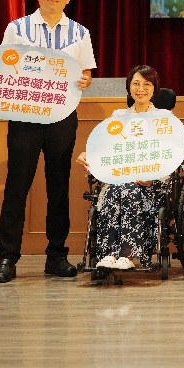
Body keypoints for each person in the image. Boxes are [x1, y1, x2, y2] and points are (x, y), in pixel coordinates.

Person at [0, 0, 95, 284]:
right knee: (17, 184)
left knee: (59, 186)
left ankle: (57, 255)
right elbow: (2, 67)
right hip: (25, 115)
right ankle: (7, 257)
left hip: (62, 116)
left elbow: (86, 74)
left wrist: (85, 81)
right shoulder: (17, 28)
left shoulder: (80, 33)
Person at [76, 65, 167, 273]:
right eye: (136, 83)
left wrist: (153, 179)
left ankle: (127, 254)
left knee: (128, 189)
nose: (141, 89)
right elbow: (105, 148)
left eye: (147, 84)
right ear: (129, 87)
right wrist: (89, 157)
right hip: (120, 180)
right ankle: (109, 254)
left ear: (154, 88)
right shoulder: (117, 117)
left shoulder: (163, 118)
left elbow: (169, 155)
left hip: (149, 185)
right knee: (115, 189)